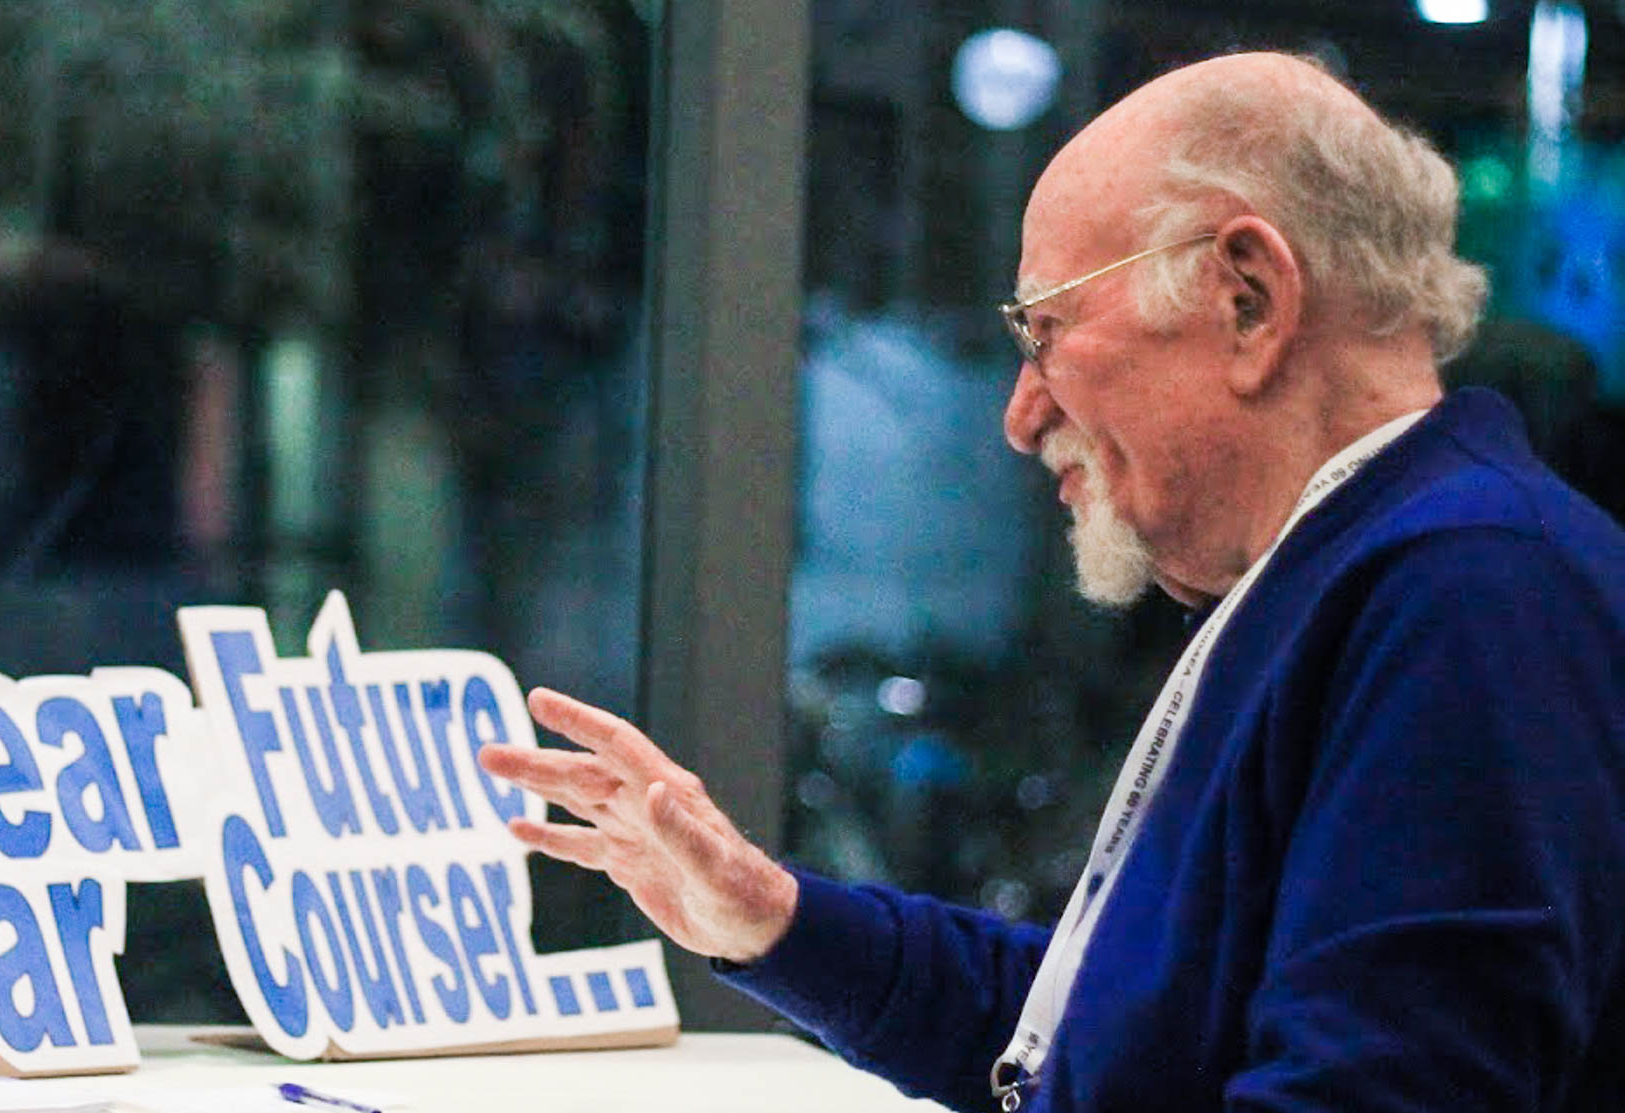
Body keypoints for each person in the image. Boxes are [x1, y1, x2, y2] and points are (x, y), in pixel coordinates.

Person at [479, 51, 1625, 1113]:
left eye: (1047, 333)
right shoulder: (1373, 572)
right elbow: (1104, 1030)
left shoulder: (1469, 592)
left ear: (1249, 300)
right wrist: (769, 917)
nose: (1021, 421)